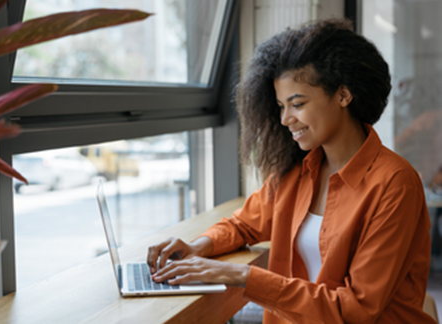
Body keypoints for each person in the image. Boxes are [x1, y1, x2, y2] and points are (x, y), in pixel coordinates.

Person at [147, 19, 436, 323]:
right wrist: (197, 247)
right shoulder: (297, 171)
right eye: (281, 106)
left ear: (343, 95)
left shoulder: (395, 184)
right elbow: (243, 224)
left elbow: (355, 310)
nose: (285, 119)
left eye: (297, 104)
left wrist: (243, 275)